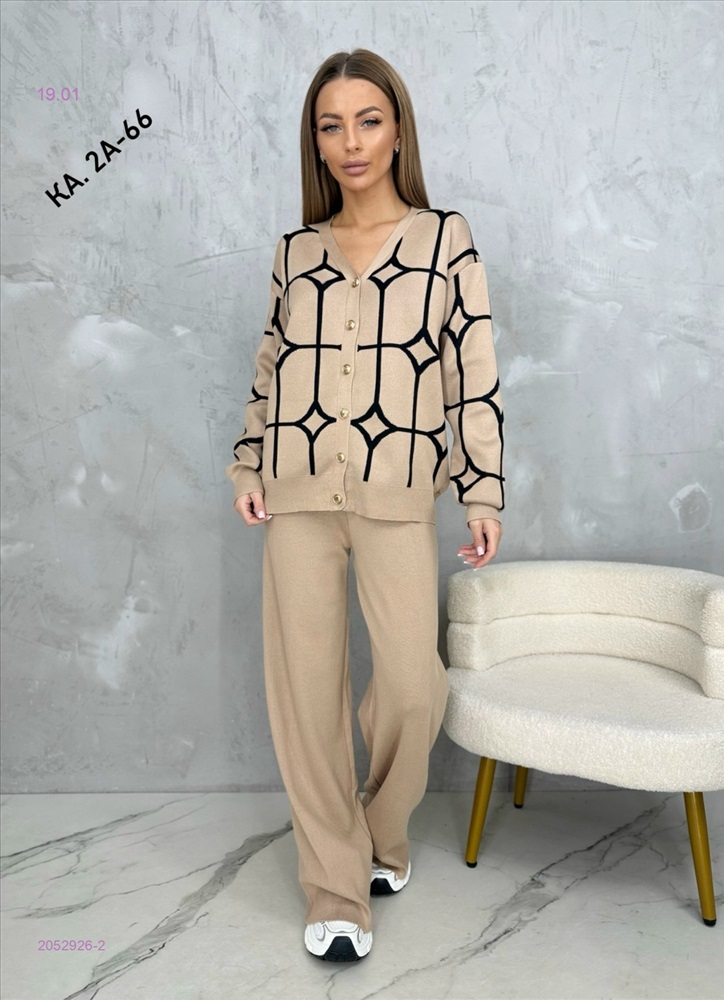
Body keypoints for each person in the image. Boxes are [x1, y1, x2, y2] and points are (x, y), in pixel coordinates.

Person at [226, 48, 505, 963]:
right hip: (296, 497)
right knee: (306, 697)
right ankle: (336, 889)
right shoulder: (295, 252)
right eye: (331, 125)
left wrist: (482, 488)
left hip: (397, 496)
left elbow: (471, 376)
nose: (350, 142)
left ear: (397, 130)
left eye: (368, 120)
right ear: (315, 141)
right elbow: (269, 370)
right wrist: (247, 464)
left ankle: (381, 831)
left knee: (413, 688)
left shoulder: (444, 239)